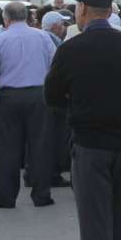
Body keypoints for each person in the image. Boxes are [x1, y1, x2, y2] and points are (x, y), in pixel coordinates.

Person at [44, 0, 121, 240]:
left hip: (90, 147)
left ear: (83, 9)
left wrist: (77, 114)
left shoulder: (72, 48)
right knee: (116, 222)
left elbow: (52, 96)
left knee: (94, 226)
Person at [0, 2, 57, 208]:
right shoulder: (43, 37)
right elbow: (54, 66)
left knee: (7, 148)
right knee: (40, 146)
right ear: (28, 17)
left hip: (9, 97)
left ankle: (7, 197)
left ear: (6, 18)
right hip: (39, 95)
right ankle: (41, 195)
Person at [41, 11, 73, 187]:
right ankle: (53, 173)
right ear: (54, 26)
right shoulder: (53, 42)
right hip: (51, 97)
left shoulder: (43, 37)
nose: (63, 28)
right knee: (55, 136)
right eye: (62, 24)